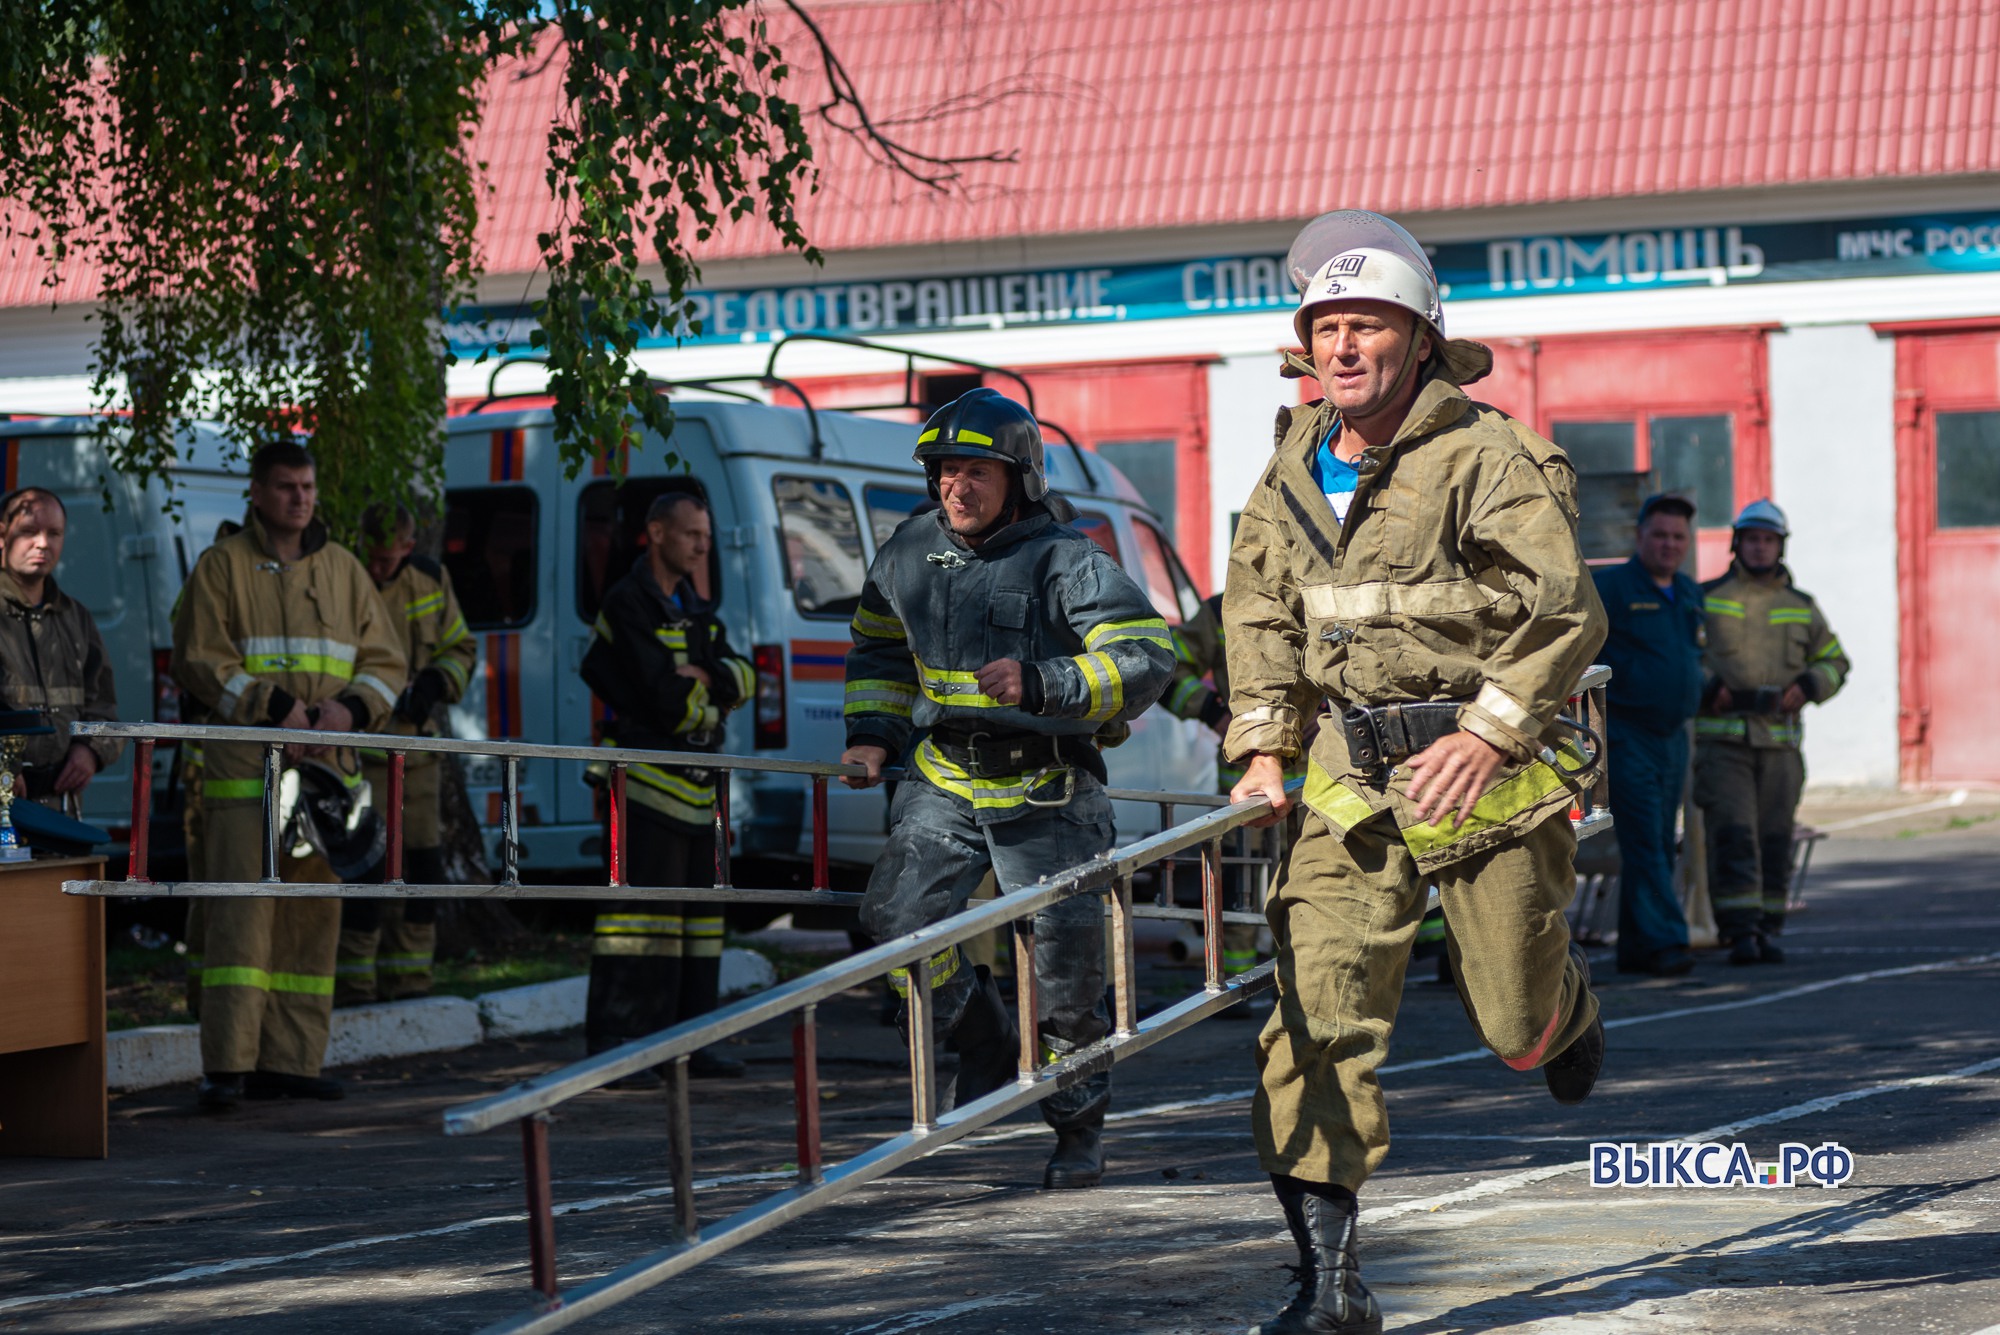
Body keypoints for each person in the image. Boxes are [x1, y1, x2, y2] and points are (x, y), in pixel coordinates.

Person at [1225, 209, 1608, 1334]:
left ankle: (1562, 1009)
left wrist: (1487, 731)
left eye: (1367, 326)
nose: (1342, 347)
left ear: (1421, 339)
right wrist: (1262, 746)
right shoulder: (1288, 466)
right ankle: (1331, 1286)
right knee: (1312, 1016)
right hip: (1348, 777)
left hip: (1480, 774)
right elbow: (1257, 607)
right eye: (1325, 326)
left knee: (1510, 1027)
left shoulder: (1485, 457)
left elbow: (1560, 609)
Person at [840, 387, 1175, 1190]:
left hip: (1047, 788)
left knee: (1065, 976)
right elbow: (878, 650)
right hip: (945, 775)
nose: (957, 486)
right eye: (946, 470)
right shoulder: (906, 551)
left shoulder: (1068, 558)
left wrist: (1044, 681)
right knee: (893, 926)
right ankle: (983, 1032)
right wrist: (869, 736)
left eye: (976, 471)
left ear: (1019, 476)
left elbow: (1146, 656)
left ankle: (1077, 1127)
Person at [172, 440, 407, 1110]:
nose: (299, 498)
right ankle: (227, 1065)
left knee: (311, 915)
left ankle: (292, 1061)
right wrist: (278, 710)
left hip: (325, 772)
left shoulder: (345, 569)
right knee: (241, 916)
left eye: (307, 486)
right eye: (285, 487)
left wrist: (349, 708)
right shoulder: (221, 566)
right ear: (255, 492)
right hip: (247, 771)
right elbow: (199, 660)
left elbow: (385, 661)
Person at [579, 491, 755, 1082]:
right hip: (646, 787)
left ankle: (689, 1042)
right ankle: (619, 1045)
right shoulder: (627, 604)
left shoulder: (696, 607)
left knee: (701, 922)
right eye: (691, 535)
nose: (702, 546)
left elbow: (745, 675)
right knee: (638, 922)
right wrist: (712, 689)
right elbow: (665, 702)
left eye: (705, 536)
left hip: (699, 789)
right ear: (656, 533)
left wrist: (704, 674)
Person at [1694, 499, 1849, 965]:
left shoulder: (1801, 607)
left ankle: (1766, 926)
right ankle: (1737, 931)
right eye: (1752, 539)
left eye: (1768, 540)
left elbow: (1836, 660)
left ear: (1780, 547)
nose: (1760, 548)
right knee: (1734, 834)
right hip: (1724, 743)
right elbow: (1682, 654)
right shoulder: (1706, 597)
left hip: (1780, 746)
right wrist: (1708, 686)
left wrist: (1809, 685)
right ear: (1737, 544)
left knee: (1776, 837)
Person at [335, 504, 478, 1005]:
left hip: (418, 753)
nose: (377, 568)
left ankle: (411, 982)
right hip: (361, 754)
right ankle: (354, 983)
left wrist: (437, 682)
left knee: (422, 867)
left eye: (385, 559)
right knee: (365, 867)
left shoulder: (431, 580)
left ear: (409, 549)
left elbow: (460, 648)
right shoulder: (347, 579)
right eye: (370, 558)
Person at [1593, 494, 1705, 976]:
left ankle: (1638, 948)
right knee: (1643, 838)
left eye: (1678, 536)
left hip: (1673, 735)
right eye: (1659, 534)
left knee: (1660, 838)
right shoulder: (1612, 588)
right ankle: (1667, 941)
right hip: (1628, 732)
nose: (1669, 544)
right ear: (1639, 537)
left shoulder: (1688, 591)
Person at [0, 488, 122, 809]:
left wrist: (90, 750)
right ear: (2, 535)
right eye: (29, 532)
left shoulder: (75, 617)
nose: (43, 543)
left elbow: (103, 705)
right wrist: (5, 766)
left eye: (54, 533)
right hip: (6, 804)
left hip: (61, 810)